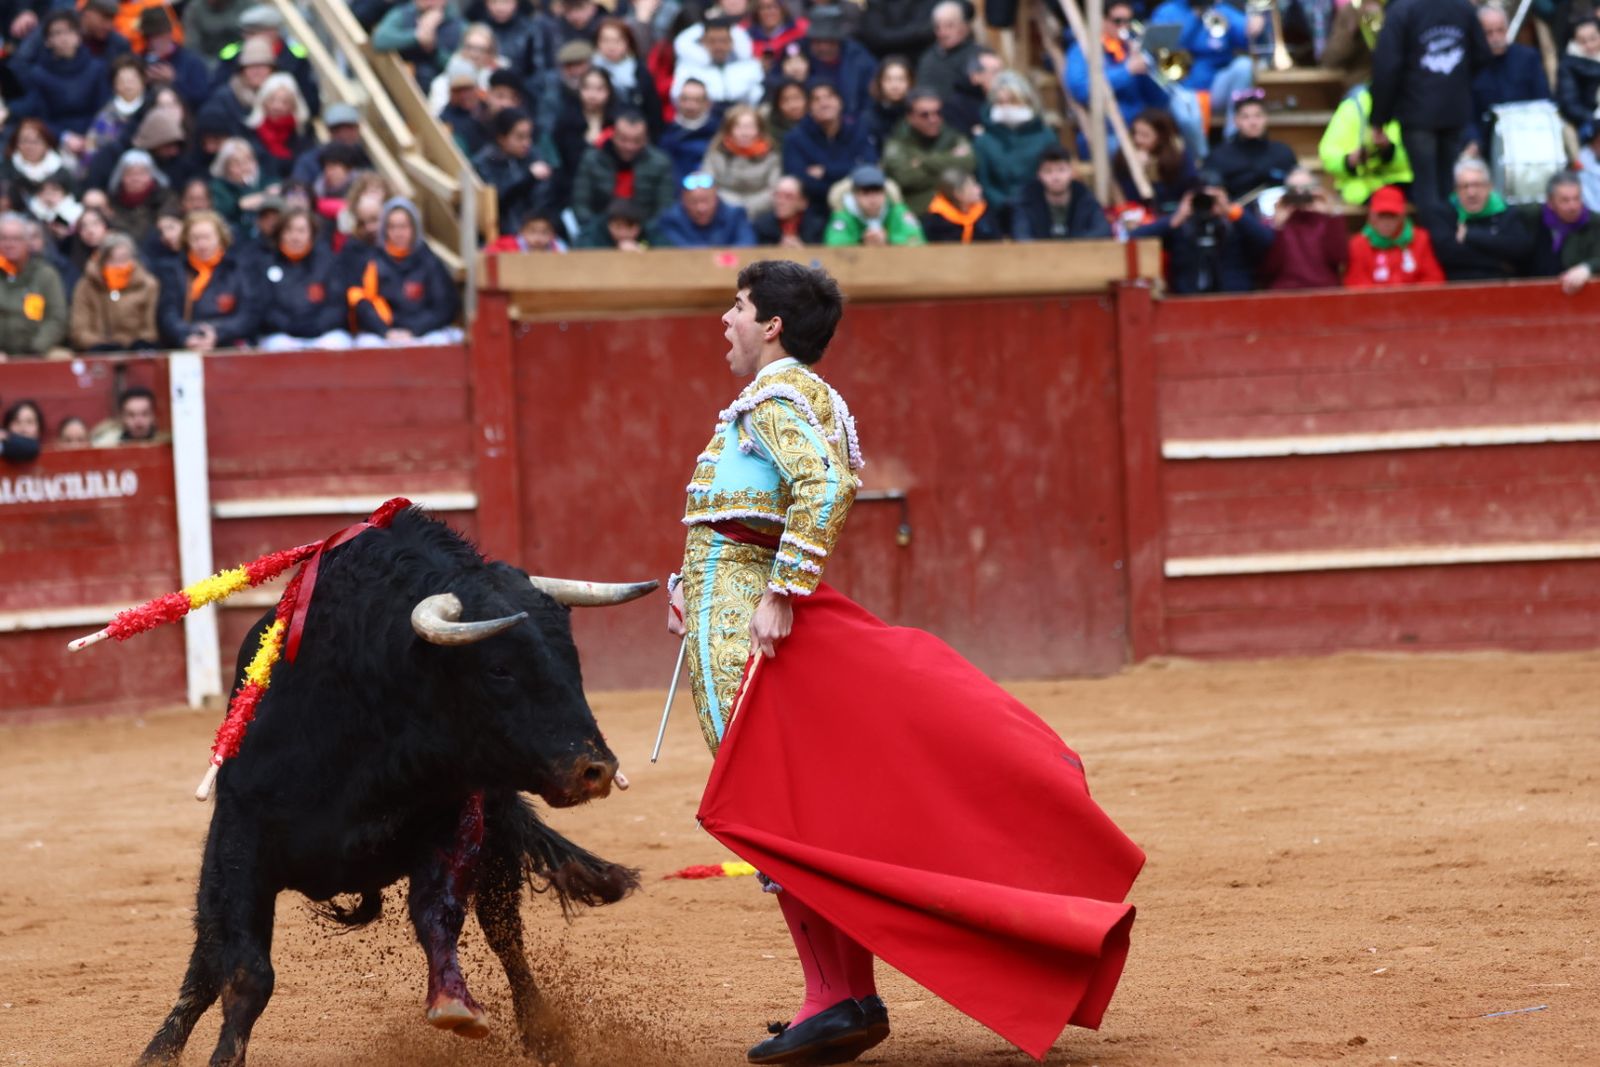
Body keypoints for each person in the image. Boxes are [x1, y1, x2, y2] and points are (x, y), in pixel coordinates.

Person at [669, 259, 1143, 1067]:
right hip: (730, 602)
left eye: (739, 306)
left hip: (746, 619)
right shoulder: (783, 397)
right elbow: (757, 510)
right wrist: (694, 579)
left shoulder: (779, 396)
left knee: (768, 804)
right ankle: (840, 994)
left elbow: (823, 486)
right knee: (793, 806)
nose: (727, 318)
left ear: (772, 323)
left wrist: (781, 587)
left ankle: (838, 994)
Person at [1368, 0, 1491, 224]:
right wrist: (1456, 80)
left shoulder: (1401, 10)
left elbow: (1387, 66)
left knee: (1427, 189)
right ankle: (1450, 242)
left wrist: (1379, 118)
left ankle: (1439, 247)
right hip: (1454, 108)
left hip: (1417, 112)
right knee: (1447, 187)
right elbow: (1482, 54)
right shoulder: (1462, 7)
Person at [347, 197, 463, 346]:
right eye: (392, 227)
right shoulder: (373, 262)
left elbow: (444, 306)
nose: (398, 233)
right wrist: (385, 331)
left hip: (422, 333)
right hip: (385, 334)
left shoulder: (429, 261)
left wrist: (414, 330)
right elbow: (361, 302)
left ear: (414, 228)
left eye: (403, 226)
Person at [1140, 171, 1275, 293]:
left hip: (1234, 298)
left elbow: (1267, 241)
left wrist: (1231, 211)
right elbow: (1134, 240)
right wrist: (1175, 219)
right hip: (1187, 300)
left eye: (1214, 198)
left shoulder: (1237, 223)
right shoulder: (1180, 225)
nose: (1208, 204)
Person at [156, 209, 259, 350]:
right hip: (188, 344)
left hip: (230, 344)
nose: (202, 244)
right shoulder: (175, 270)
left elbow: (248, 314)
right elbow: (168, 314)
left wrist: (216, 333)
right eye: (195, 238)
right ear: (186, 240)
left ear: (220, 238)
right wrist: (187, 335)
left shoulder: (237, 268)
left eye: (207, 237)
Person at [1064, 1, 1170, 136]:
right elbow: (1080, 89)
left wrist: (1150, 68)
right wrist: (1127, 71)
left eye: (1128, 21)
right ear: (1101, 20)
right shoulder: (1082, 49)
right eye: (1118, 21)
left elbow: (1159, 99)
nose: (1124, 26)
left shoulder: (1129, 47)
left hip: (1140, 124)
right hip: (1107, 130)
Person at [10, 11, 109, 152]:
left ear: (79, 36)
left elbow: (103, 109)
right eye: (57, 33)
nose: (64, 38)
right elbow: (41, 116)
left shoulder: (97, 68)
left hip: (94, 137)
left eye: (69, 31)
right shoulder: (38, 74)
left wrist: (91, 137)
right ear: (47, 41)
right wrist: (65, 137)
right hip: (54, 139)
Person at [570, 110, 676, 242]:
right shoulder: (592, 160)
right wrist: (603, 230)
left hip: (646, 233)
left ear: (646, 138)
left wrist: (637, 231)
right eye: (624, 140)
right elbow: (581, 204)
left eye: (637, 141)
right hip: (599, 233)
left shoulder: (660, 163)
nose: (629, 146)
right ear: (613, 135)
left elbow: (664, 208)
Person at [256, 207, 352, 350]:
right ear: (280, 233)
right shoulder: (265, 263)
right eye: (289, 230)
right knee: (277, 345)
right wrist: (292, 327)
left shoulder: (328, 262)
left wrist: (313, 327)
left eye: (301, 231)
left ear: (312, 235)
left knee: (337, 343)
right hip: (282, 336)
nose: (295, 236)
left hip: (322, 334)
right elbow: (263, 307)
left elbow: (337, 307)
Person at [1427, 157, 1534, 281]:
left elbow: (1520, 249)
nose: (1471, 193)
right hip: (1457, 289)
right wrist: (1499, 262)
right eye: (1464, 186)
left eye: (1477, 185)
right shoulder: (1443, 214)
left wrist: (1470, 235)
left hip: (1501, 287)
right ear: (1456, 190)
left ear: (1489, 187)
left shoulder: (1508, 213)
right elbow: (1447, 254)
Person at [972, 70, 1056, 225]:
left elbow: (1051, 173)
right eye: (1000, 103)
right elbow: (983, 181)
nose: (1006, 108)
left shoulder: (1045, 137)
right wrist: (1004, 203)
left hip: (1038, 210)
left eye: (1013, 101)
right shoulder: (983, 141)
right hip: (997, 213)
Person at [1466, 3, 1551, 155]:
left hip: (1526, 139)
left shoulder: (1527, 58)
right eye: (1488, 33)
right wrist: (1474, 140)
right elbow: (1466, 112)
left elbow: (1542, 101)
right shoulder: (1470, 65)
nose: (1496, 38)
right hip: (1486, 143)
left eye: (1500, 30)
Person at [881, 88, 974, 214]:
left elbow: (969, 163)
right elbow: (906, 178)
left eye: (938, 113)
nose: (933, 119)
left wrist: (924, 161)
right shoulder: (897, 143)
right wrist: (950, 164)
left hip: (956, 213)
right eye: (925, 115)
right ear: (910, 117)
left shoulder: (951, 136)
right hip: (918, 213)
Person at [1318, 83, 1412, 206]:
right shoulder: (1354, 106)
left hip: (1401, 184)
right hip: (1361, 187)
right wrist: (1349, 161)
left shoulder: (1411, 105)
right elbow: (1328, 154)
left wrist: (1389, 151)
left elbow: (1420, 158)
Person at [69, 232, 161, 351]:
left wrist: (133, 345)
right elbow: (79, 329)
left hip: (136, 352)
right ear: (102, 261)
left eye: (123, 259)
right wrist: (100, 344)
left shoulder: (148, 285)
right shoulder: (86, 286)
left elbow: (150, 329)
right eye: (113, 260)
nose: (119, 266)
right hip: (96, 352)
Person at [1261, 167, 1349, 289]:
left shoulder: (1327, 220)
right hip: (1286, 291)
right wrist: (1277, 226)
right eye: (1293, 190)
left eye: (1307, 189)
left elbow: (1339, 258)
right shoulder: (1274, 222)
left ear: (1316, 191)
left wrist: (1331, 215)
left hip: (1324, 290)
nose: (1300, 194)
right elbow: (1269, 268)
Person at [473, 107, 556, 234]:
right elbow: (496, 201)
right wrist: (528, 179)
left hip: (534, 234)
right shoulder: (485, 162)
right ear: (501, 138)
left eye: (529, 136)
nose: (526, 143)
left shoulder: (534, 157)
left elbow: (544, 200)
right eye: (520, 137)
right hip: (501, 233)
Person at [1344, 184, 1444, 287]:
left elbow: (1433, 279)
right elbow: (1356, 284)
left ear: (1402, 216)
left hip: (1413, 302)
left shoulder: (1419, 238)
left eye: (1392, 216)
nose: (1386, 222)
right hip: (1375, 302)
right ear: (1371, 216)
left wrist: (1408, 298)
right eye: (1381, 216)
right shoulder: (1359, 244)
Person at [1204, 91, 1298, 200]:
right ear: (1236, 121)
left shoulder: (1283, 152)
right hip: (1234, 213)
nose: (1253, 122)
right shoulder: (1219, 156)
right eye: (1245, 117)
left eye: (1258, 116)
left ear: (1266, 118)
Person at [0, 211, 69, 359]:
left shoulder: (46, 275)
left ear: (27, 242)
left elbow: (57, 319)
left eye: (16, 239)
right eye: (3, 238)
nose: (9, 244)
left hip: (38, 351)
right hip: (1, 354)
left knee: (62, 358)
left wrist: (36, 348)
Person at [1517, 170, 1600, 293]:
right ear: (1550, 202)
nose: (1573, 206)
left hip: (1580, 296)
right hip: (1534, 293)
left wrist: (1587, 268)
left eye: (1577, 198)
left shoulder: (1594, 222)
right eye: (1565, 200)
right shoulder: (1532, 217)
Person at [1011, 144, 1112, 241]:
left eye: (1061, 170)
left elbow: (1103, 231)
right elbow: (1021, 236)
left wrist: (1071, 246)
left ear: (1071, 172)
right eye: (1048, 171)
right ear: (1039, 175)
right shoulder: (1027, 201)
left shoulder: (1085, 198)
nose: (1055, 177)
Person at [703, 104, 782, 217]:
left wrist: (748, 209)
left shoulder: (771, 155)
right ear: (729, 130)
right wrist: (734, 208)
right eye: (738, 127)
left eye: (750, 127)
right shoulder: (716, 152)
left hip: (761, 212)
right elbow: (708, 184)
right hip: (723, 211)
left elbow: (774, 189)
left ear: (759, 130)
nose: (744, 133)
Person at [1113, 108, 1195, 215]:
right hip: (1139, 215)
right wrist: (1137, 171)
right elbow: (1130, 198)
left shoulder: (1178, 155)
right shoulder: (1124, 155)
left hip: (1173, 212)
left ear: (1161, 137)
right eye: (1135, 133)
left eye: (1145, 135)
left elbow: (1188, 188)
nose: (1138, 140)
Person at [371, 0, 466, 91]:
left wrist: (433, 49)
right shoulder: (404, 13)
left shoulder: (458, 27)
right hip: (394, 79)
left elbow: (458, 68)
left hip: (433, 88)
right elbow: (379, 40)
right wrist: (417, 36)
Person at [824, 163, 925, 246]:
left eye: (877, 192)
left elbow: (917, 241)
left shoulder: (897, 211)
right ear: (854, 195)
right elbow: (834, 246)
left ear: (885, 193)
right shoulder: (843, 216)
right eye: (865, 193)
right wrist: (863, 243)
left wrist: (888, 241)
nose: (872, 199)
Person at [801, 6, 875, 117]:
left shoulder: (859, 60)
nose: (823, 47)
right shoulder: (800, 54)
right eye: (817, 42)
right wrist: (794, 79)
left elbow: (869, 101)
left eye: (829, 41)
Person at [674, 16, 764, 107]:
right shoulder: (688, 68)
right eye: (712, 41)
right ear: (703, 42)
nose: (718, 46)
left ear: (732, 42)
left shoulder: (749, 66)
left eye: (723, 41)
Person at [244, 72, 316, 183]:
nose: (277, 106)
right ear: (262, 102)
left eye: (285, 102)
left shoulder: (303, 134)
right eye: (272, 100)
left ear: (294, 106)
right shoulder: (248, 132)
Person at [651, 171, 756, 246]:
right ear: (683, 201)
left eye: (706, 201)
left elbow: (746, 247)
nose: (701, 208)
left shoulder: (735, 216)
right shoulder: (670, 220)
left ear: (716, 199)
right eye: (693, 202)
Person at [916, 1, 979, 103]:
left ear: (964, 27)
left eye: (949, 26)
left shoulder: (979, 56)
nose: (943, 33)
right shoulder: (928, 58)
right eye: (938, 28)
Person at [659, 79, 720, 182]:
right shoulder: (666, 132)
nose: (690, 105)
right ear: (678, 101)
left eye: (697, 100)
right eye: (685, 99)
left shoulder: (719, 131)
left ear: (707, 103)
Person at [921, 169, 999, 243]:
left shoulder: (984, 212)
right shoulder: (936, 221)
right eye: (972, 187)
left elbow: (996, 240)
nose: (979, 189)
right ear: (958, 194)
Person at [752, 174, 824, 244]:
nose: (780, 201)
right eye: (777, 195)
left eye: (788, 197)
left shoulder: (816, 226)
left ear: (803, 203)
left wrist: (803, 251)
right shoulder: (761, 225)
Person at [863, 56, 913, 153]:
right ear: (880, 83)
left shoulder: (921, 113)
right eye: (888, 79)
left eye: (901, 79)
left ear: (910, 82)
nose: (895, 85)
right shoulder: (869, 117)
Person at [1558, 18, 1600, 129]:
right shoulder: (1568, 65)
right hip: (1591, 122)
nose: (1589, 45)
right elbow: (1570, 105)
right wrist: (1594, 118)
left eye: (1593, 38)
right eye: (1582, 41)